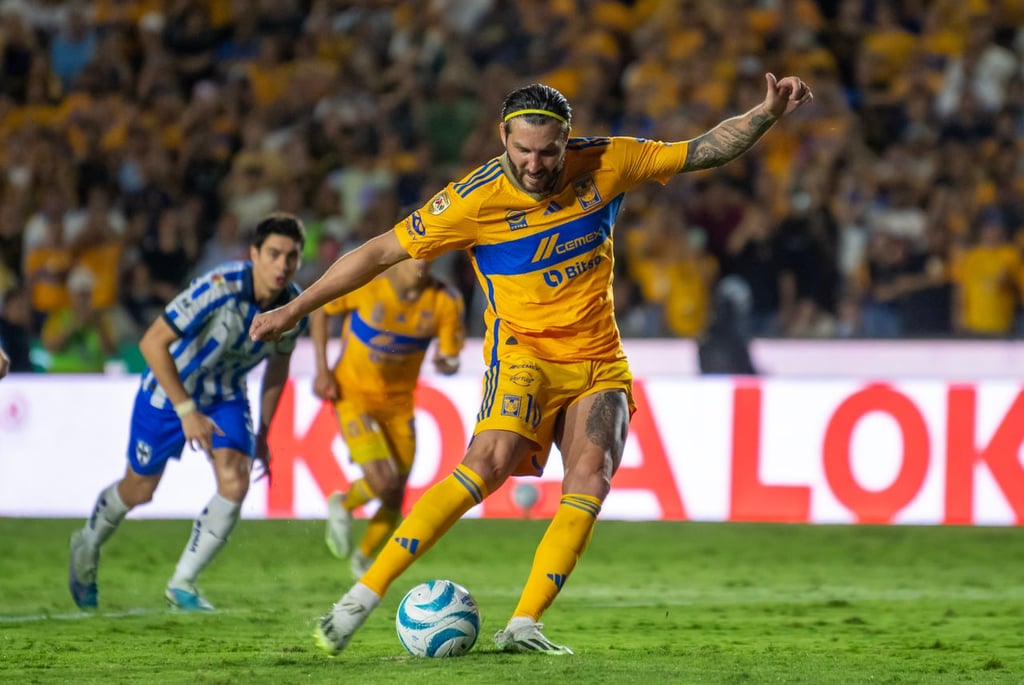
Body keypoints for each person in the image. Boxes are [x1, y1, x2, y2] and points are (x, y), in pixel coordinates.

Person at [250, 75, 813, 655]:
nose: (537, 164)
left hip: (597, 357)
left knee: (591, 480)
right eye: (522, 150)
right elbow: (378, 252)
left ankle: (523, 624)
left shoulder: (607, 162)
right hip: (524, 354)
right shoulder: (472, 199)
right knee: (487, 465)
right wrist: (295, 307)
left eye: (549, 151)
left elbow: (701, 150)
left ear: (567, 141)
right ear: (503, 138)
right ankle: (358, 599)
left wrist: (765, 114)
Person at [68, 213, 307, 611]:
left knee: (235, 481)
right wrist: (186, 410)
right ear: (254, 255)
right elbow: (151, 343)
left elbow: (278, 369)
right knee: (140, 489)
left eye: (292, 256)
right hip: (168, 390)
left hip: (226, 394)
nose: (282, 265)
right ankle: (87, 544)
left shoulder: (294, 308)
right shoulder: (218, 287)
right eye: (274, 254)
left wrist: (264, 431)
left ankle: (183, 584)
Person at [312, 256, 465, 579]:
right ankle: (343, 503)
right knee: (384, 480)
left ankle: (364, 559)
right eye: (414, 257)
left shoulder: (444, 300)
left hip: (399, 405)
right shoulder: (367, 283)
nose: (422, 264)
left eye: (429, 257)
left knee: (397, 490)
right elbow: (319, 309)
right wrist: (322, 370)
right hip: (353, 395)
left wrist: (445, 364)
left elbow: (451, 359)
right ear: (397, 259)